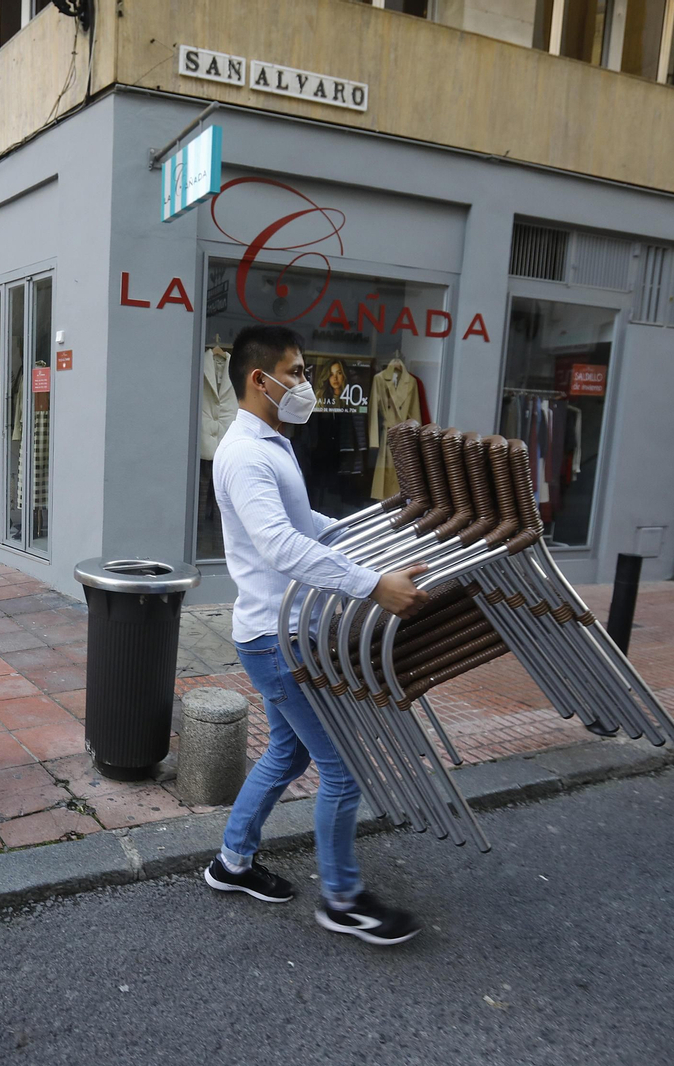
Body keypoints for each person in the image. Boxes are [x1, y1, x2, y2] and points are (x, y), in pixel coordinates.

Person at [204, 324, 431, 946]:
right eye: (298, 372)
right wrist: (370, 585)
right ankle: (343, 900)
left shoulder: (270, 443)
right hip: (276, 640)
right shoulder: (247, 453)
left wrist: (375, 533)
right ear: (261, 379)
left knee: (289, 752)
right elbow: (279, 546)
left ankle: (232, 862)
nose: (306, 384)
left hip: (283, 631)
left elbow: (302, 524)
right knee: (342, 770)